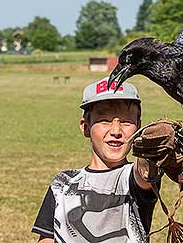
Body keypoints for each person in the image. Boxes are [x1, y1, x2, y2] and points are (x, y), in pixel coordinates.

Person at [31, 77, 157, 243]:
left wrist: (152, 150)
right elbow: (47, 238)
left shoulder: (132, 178)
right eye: (104, 120)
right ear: (86, 127)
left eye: (126, 121)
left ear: (138, 127)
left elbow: (145, 172)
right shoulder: (62, 183)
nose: (116, 131)